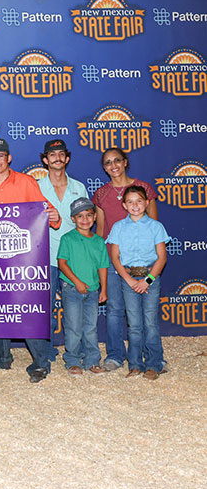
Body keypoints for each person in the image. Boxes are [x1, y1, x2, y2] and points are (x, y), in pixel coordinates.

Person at [0, 138, 61, 383]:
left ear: (9, 158)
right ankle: (1, 358)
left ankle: (41, 363)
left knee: (30, 308)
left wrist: (54, 215)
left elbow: (48, 214)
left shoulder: (26, 182)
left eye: (0, 156)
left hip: (26, 260)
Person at [91, 148, 159, 372]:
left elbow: (154, 225)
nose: (113, 165)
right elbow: (101, 230)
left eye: (117, 160)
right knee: (114, 309)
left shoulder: (144, 188)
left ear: (125, 162)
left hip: (141, 262)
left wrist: (152, 264)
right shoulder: (101, 194)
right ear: (104, 168)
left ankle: (152, 357)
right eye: (108, 162)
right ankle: (115, 355)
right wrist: (100, 260)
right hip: (113, 260)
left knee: (145, 314)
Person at [106, 186, 169, 380]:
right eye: (130, 202)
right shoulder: (118, 227)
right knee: (134, 323)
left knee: (150, 322)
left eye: (139, 201)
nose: (135, 205)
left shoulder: (156, 227)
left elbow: (161, 258)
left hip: (151, 278)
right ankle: (135, 364)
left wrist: (147, 281)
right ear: (124, 205)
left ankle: (154, 364)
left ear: (147, 203)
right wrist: (130, 281)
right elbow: (115, 257)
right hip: (129, 279)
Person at [37, 139, 88, 362]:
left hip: (73, 258)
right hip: (44, 257)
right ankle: (46, 352)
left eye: (61, 154)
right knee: (45, 308)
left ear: (67, 158)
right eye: (52, 154)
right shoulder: (36, 187)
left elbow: (86, 224)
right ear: (45, 159)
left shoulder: (79, 187)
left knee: (75, 310)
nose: (57, 158)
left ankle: (76, 352)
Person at [57, 197, 109, 375]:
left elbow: (103, 266)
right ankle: (73, 361)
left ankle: (92, 360)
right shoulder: (67, 239)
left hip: (93, 290)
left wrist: (103, 289)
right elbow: (62, 263)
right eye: (80, 216)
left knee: (91, 327)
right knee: (73, 326)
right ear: (73, 218)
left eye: (88, 215)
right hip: (71, 288)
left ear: (95, 217)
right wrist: (77, 282)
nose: (84, 219)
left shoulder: (99, 241)